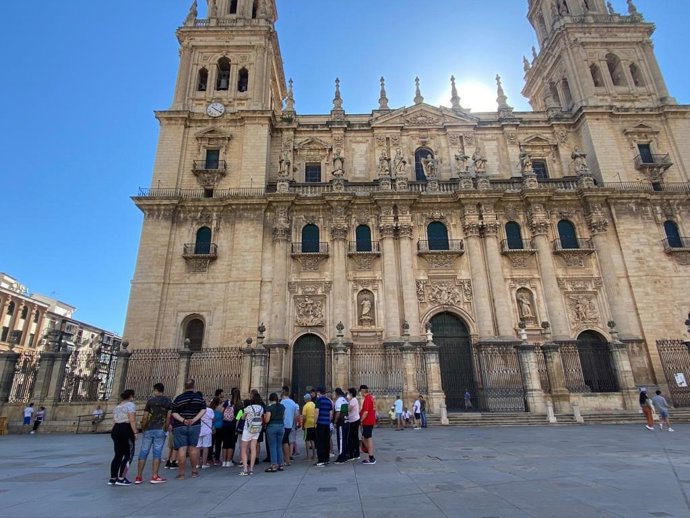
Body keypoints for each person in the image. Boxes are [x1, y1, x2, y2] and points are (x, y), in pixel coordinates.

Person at [134, 383, 171, 485]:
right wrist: (166, 428)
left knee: (143, 452)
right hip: (160, 429)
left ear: (155, 390)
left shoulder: (150, 401)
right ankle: (154, 476)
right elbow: (168, 417)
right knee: (157, 452)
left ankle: (138, 476)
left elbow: (145, 417)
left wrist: (144, 427)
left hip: (149, 429)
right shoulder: (168, 401)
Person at [171, 380, 206, 479]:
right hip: (194, 426)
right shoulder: (199, 398)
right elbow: (204, 409)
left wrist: (183, 420)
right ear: (193, 386)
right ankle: (194, 472)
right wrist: (194, 419)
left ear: (184, 386)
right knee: (193, 449)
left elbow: (174, 412)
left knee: (182, 449)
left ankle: (181, 474)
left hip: (180, 425)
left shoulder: (178, 398)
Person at [109, 389, 137, 486]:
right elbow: (132, 420)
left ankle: (113, 478)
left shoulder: (117, 406)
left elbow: (115, 420)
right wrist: (135, 432)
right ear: (131, 396)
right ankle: (121, 477)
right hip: (126, 429)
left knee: (118, 454)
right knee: (128, 454)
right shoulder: (130, 405)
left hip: (116, 429)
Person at [239, 394, 263, 476]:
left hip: (248, 429)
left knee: (243, 449)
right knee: (253, 448)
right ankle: (251, 469)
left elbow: (242, 417)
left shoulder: (248, 408)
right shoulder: (261, 408)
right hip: (256, 429)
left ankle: (245, 469)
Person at [263, 393, 285, 473]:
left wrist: (265, 417)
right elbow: (283, 417)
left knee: (272, 446)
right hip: (281, 426)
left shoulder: (269, 407)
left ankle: (274, 465)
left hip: (272, 427)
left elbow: (267, 420)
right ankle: (281, 464)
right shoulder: (282, 407)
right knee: (279, 446)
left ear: (270, 399)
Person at [314, 387, 333, 467]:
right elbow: (331, 414)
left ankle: (321, 460)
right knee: (326, 441)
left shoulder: (318, 400)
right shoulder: (329, 401)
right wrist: (328, 421)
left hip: (320, 423)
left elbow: (317, 412)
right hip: (327, 424)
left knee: (320, 442)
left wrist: (315, 422)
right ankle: (326, 459)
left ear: (319, 393)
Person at [280, 389, 299, 466]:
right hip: (290, 425)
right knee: (286, 441)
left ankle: (286, 459)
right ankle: (287, 459)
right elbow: (296, 415)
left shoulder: (281, 402)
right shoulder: (293, 403)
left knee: (284, 442)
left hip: (283, 424)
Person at [359, 385, 377, 465]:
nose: (360, 393)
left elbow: (366, 412)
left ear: (362, 391)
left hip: (367, 421)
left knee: (367, 438)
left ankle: (371, 456)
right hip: (370, 420)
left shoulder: (367, 398)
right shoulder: (371, 397)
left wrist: (361, 420)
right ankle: (369, 454)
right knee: (365, 437)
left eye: (360, 391)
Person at [196, 399, 215, 470]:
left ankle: (197, 463)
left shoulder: (198, 410)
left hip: (198, 430)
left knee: (198, 447)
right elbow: (213, 419)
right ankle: (204, 463)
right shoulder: (210, 410)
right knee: (205, 447)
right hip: (207, 430)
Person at [333, 388, 349, 464]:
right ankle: (345, 454)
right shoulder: (345, 399)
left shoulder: (338, 400)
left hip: (341, 422)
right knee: (344, 438)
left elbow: (338, 412)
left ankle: (341, 457)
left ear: (336, 393)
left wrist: (335, 422)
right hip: (346, 421)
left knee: (341, 439)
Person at [346, 388, 360, 462]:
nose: (347, 394)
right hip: (354, 420)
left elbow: (348, 409)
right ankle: (356, 453)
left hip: (354, 421)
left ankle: (352, 454)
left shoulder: (353, 400)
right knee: (354, 437)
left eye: (348, 393)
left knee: (351, 438)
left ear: (351, 393)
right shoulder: (353, 400)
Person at [301, 393, 316, 461]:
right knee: (312, 440)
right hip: (314, 424)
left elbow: (304, 417)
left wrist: (303, 425)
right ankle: (314, 455)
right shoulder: (314, 404)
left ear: (306, 399)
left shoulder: (305, 406)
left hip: (307, 424)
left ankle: (308, 457)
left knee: (307, 440)